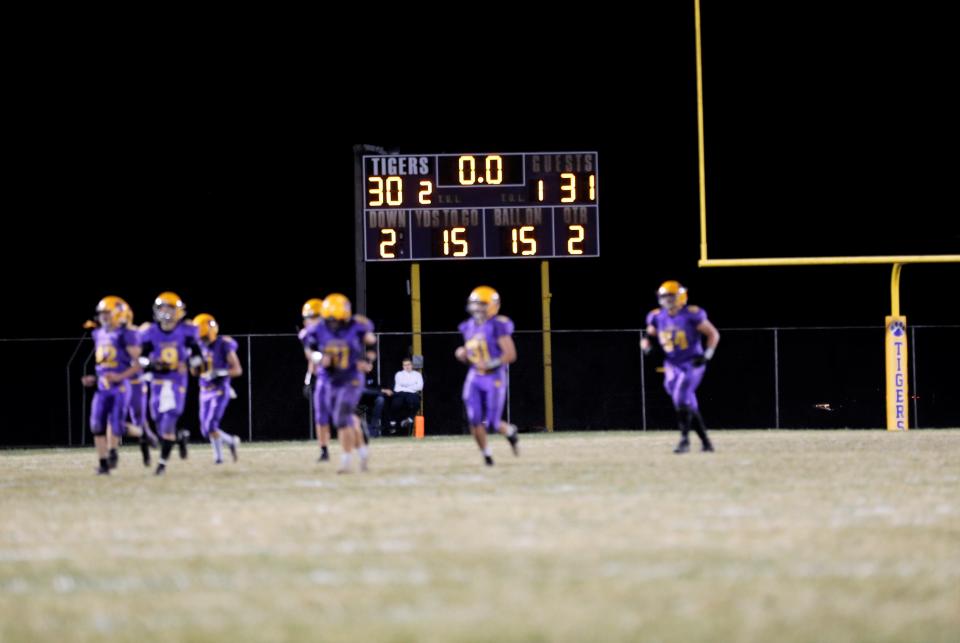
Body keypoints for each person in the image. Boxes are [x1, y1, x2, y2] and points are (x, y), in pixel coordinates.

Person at [640, 280, 720, 453]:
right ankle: (706, 442)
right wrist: (646, 346)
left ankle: (684, 441)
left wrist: (707, 355)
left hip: (692, 362)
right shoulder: (657, 316)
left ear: (680, 296)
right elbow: (647, 336)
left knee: (681, 395)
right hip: (671, 364)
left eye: (671, 296)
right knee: (686, 401)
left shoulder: (692, 314)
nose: (667, 300)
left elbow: (713, 334)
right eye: (664, 296)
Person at [302, 293, 377, 473]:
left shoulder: (356, 324)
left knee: (341, 416)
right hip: (330, 380)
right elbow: (311, 349)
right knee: (344, 419)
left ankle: (345, 462)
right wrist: (319, 358)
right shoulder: (317, 328)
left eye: (340, 321)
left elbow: (372, 341)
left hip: (351, 378)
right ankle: (363, 453)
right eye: (332, 321)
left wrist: (367, 360)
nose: (336, 325)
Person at [139, 291, 203, 475]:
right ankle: (181, 436)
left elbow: (199, 357)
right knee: (158, 422)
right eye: (162, 308)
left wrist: (187, 364)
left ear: (178, 311)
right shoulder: (150, 332)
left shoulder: (187, 331)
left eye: (170, 308)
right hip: (157, 380)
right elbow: (140, 359)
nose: (166, 312)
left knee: (169, 419)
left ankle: (161, 465)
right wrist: (151, 363)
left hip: (176, 380)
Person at [454, 286, 519, 466]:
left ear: (492, 305)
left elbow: (510, 355)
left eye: (481, 304)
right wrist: (463, 353)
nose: (477, 308)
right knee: (474, 419)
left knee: (492, 422)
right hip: (475, 376)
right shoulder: (468, 326)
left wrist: (489, 364)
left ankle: (511, 433)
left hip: (494, 377)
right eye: (474, 304)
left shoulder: (498, 325)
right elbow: (473, 353)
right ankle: (487, 456)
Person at [81, 296, 142, 475]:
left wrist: (120, 376)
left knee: (116, 425)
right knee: (96, 426)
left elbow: (138, 364)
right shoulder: (98, 333)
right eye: (102, 314)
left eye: (107, 313)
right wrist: (93, 378)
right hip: (102, 387)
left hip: (121, 387)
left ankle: (141, 434)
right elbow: (104, 364)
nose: (104, 317)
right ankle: (103, 464)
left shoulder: (125, 334)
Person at [191, 313, 243, 464]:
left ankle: (218, 458)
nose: (203, 340)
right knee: (205, 430)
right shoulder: (198, 346)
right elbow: (195, 372)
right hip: (204, 390)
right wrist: (194, 362)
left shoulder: (224, 344)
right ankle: (231, 441)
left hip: (220, 389)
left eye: (205, 337)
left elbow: (238, 370)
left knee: (211, 425)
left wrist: (220, 372)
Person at [300, 298, 333, 462]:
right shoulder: (307, 335)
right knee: (320, 415)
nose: (307, 321)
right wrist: (308, 379)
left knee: (343, 416)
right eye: (306, 317)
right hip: (323, 378)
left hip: (340, 378)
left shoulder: (332, 331)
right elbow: (311, 359)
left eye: (311, 317)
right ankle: (324, 450)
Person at [385, 357, 423, 433]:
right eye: (405, 365)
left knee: (416, 403)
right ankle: (393, 424)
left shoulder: (417, 375)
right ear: (403, 366)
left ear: (412, 365)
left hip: (412, 394)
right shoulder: (399, 374)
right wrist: (412, 386)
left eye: (408, 364)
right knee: (395, 404)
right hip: (400, 393)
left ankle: (409, 419)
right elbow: (399, 385)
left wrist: (405, 386)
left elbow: (420, 387)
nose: (407, 366)